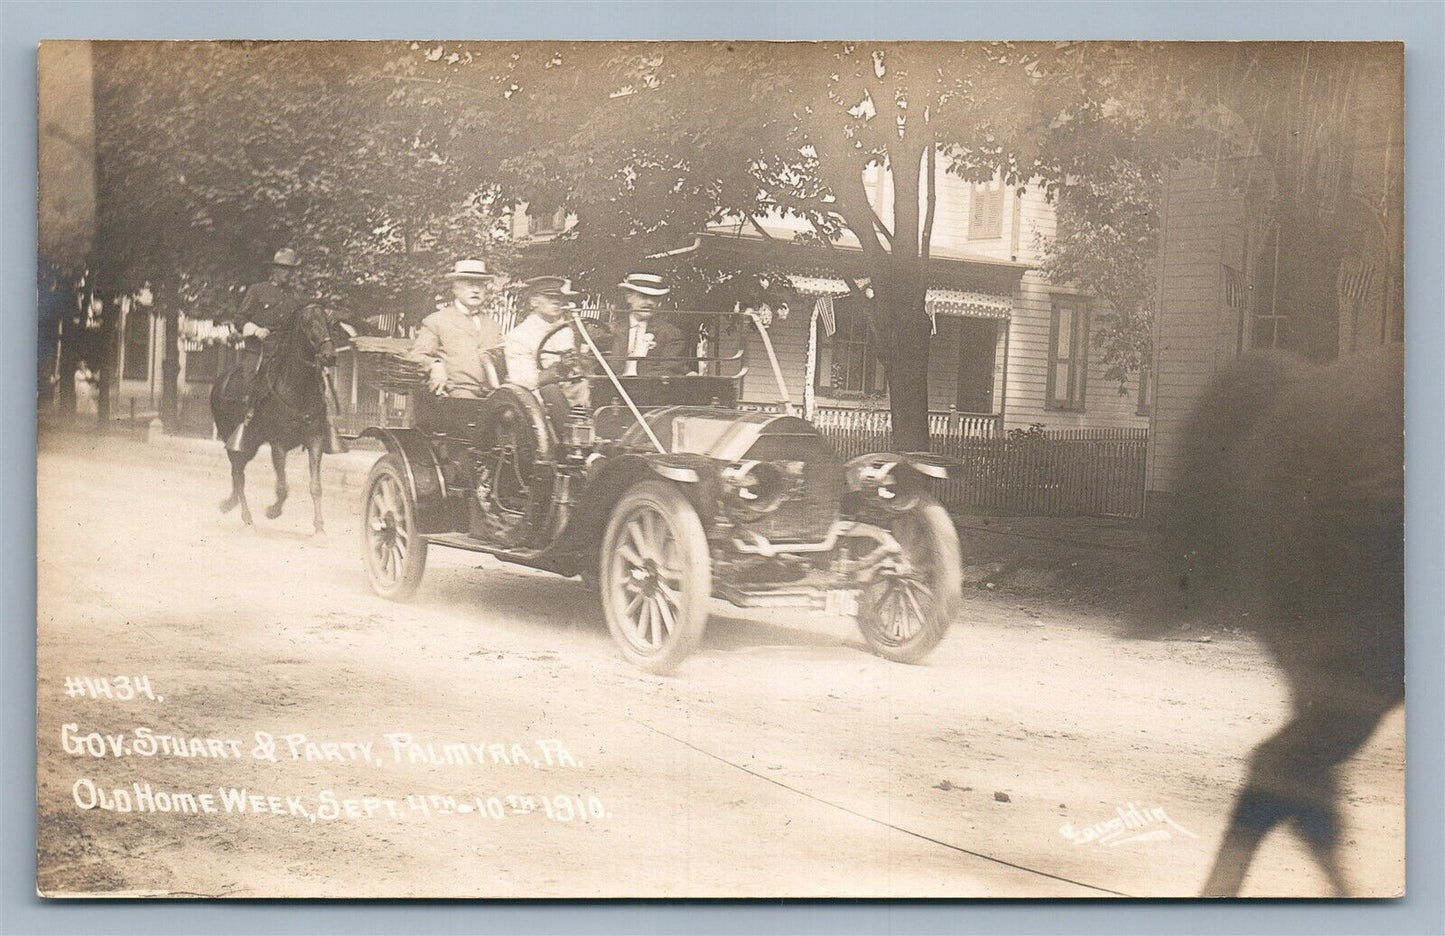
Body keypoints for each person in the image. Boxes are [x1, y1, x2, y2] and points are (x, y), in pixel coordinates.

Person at [407, 258, 504, 399]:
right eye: (469, 285)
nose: (476, 290)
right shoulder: (437, 321)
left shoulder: (492, 325)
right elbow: (416, 356)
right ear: (455, 289)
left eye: (480, 285)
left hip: (492, 395)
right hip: (456, 394)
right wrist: (435, 364)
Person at [503, 275, 590, 426]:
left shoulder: (566, 331)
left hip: (571, 394)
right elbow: (523, 381)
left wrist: (581, 365)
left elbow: (576, 371)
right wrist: (558, 369)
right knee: (551, 391)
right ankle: (571, 438)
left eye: (559, 297)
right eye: (549, 296)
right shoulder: (519, 335)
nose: (556, 301)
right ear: (533, 301)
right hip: (536, 399)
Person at [234, 247, 304, 376]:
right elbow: (240, 318)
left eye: (291, 270)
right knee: (249, 382)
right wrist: (256, 330)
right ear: (274, 270)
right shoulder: (258, 290)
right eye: (284, 268)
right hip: (259, 351)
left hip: (286, 354)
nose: (288, 273)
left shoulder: (296, 296)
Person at [610, 272, 686, 377]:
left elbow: (668, 369)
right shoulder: (612, 330)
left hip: (650, 389)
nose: (649, 302)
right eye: (643, 296)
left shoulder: (671, 334)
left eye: (654, 298)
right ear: (629, 297)